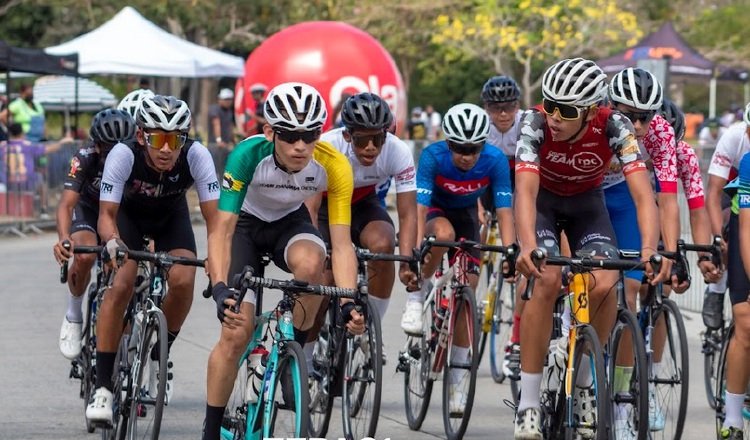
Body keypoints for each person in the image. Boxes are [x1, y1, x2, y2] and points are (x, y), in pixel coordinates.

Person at [513, 58, 666, 440]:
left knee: (604, 284)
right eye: (549, 104)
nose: (553, 116)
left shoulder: (614, 126)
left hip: (587, 206)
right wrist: (527, 245)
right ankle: (529, 403)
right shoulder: (533, 123)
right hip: (545, 204)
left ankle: (583, 384)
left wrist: (650, 249)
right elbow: (526, 190)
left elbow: (643, 195)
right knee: (546, 278)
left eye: (565, 110)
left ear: (592, 111)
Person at [202, 82, 364, 440]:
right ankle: (211, 430)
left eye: (310, 135)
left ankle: (291, 351)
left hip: (289, 223)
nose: (301, 145)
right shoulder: (247, 156)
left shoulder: (333, 164)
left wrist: (349, 299)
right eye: (290, 136)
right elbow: (221, 231)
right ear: (269, 132)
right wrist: (219, 288)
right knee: (235, 334)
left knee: (314, 266)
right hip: (244, 226)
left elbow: (342, 243)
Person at [85, 95, 220, 424]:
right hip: (128, 218)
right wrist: (114, 242)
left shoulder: (197, 155)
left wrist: (219, 265)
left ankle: (162, 352)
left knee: (184, 278)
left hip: (171, 218)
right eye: (158, 138)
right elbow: (106, 215)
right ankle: (102, 389)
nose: (166, 149)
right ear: (143, 135)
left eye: (175, 140)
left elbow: (217, 223)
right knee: (122, 283)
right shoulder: (123, 153)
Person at [400, 102, 515, 415]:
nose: (466, 156)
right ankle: (418, 295)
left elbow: (505, 211)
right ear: (447, 143)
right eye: (459, 148)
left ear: (484, 145)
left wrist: (510, 250)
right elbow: (419, 210)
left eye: (473, 149)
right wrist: (413, 253)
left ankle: (458, 381)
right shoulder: (433, 156)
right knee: (444, 233)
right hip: (436, 211)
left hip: (467, 216)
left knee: (467, 297)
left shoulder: (494, 161)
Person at [318, 92, 419, 355]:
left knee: (384, 245)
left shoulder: (397, 151)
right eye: (363, 139)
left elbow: (408, 214)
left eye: (379, 138)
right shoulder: (327, 147)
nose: (371, 147)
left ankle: (372, 328)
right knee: (324, 273)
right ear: (348, 135)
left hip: (364, 203)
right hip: (325, 206)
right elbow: (308, 204)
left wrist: (407, 260)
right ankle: (308, 350)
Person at [52, 109, 136, 360]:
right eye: (111, 149)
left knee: (129, 268)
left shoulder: (137, 158)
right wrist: (65, 237)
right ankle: (74, 314)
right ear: (97, 146)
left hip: (119, 212)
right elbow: (66, 204)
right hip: (88, 210)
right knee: (86, 256)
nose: (119, 155)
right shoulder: (85, 157)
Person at [706, 102, 750, 440]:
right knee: (746, 321)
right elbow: (746, 230)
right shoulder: (742, 152)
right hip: (742, 221)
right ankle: (733, 420)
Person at [208, 88, 238, 179]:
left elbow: (230, 127)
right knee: (214, 169)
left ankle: (223, 190)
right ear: (219, 99)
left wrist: (233, 141)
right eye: (225, 99)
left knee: (225, 170)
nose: (228, 102)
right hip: (215, 144)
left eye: (229, 99)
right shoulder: (215, 109)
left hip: (226, 145)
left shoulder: (229, 111)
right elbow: (216, 124)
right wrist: (219, 140)